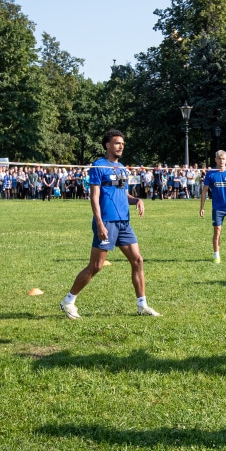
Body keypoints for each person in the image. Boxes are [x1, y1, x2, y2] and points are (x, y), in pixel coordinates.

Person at [60, 129, 161, 319]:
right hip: (107, 221)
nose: (121, 146)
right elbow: (94, 196)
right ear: (107, 145)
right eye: (117, 143)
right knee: (96, 265)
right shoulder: (98, 166)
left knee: (138, 260)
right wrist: (99, 223)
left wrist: (137, 200)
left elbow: (124, 194)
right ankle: (68, 301)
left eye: (122, 143)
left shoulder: (122, 168)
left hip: (124, 222)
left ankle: (142, 305)